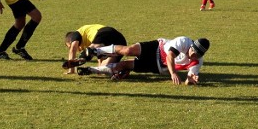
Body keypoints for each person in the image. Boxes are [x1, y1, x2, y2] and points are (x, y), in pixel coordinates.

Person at [78, 36, 210, 85]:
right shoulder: (184, 41)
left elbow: (188, 78)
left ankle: (89, 70)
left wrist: (190, 80)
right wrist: (173, 73)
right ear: (192, 46)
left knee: (124, 65)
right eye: (194, 53)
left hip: (158, 66)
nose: (194, 56)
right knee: (128, 50)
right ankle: (97, 51)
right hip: (157, 48)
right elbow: (170, 56)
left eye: (198, 55)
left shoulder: (198, 61)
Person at [62, 24, 127, 74]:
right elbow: (99, 53)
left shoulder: (75, 34)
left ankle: (82, 57)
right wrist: (100, 67)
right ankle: (125, 67)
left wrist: (71, 70)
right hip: (120, 42)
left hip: (106, 32)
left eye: (69, 46)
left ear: (70, 40)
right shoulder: (89, 41)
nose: (77, 50)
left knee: (90, 50)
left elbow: (72, 49)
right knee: (105, 68)